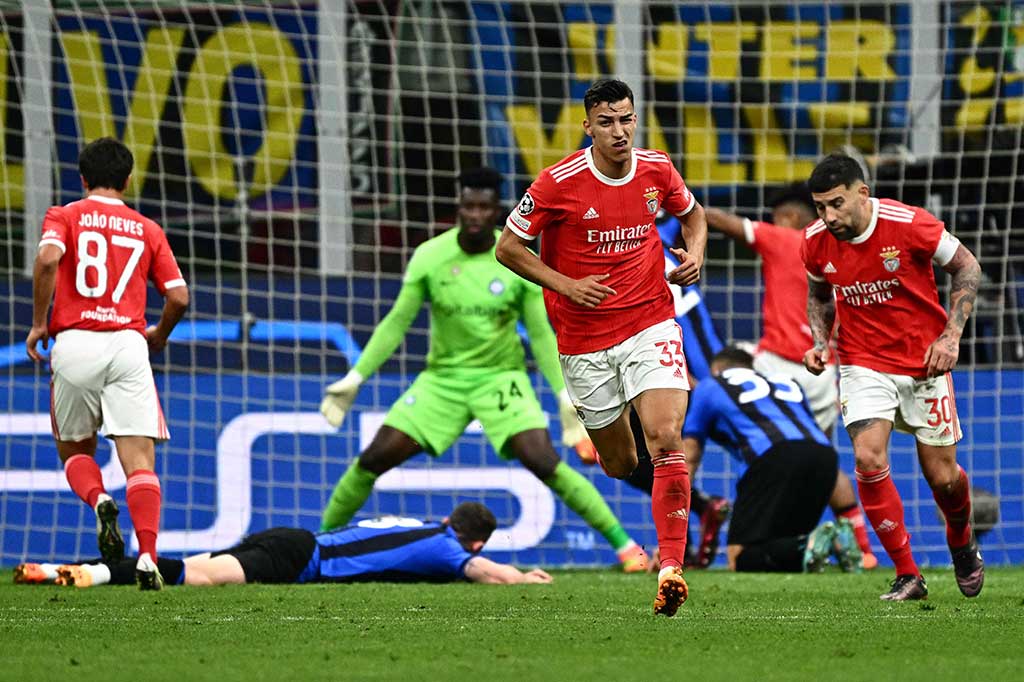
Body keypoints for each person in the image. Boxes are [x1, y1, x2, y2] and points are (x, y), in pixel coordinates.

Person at [318, 167, 648, 572]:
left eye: (484, 207)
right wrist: (356, 377)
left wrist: (565, 393)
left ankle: (626, 548)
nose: (475, 215)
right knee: (374, 458)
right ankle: (321, 546)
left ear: (497, 212)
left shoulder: (516, 260)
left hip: (501, 380)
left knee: (544, 461)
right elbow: (396, 322)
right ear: (458, 208)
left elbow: (542, 334)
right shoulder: (430, 255)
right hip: (443, 381)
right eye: (468, 206)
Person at [496, 79, 708, 616]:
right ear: (587, 126)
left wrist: (696, 253)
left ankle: (671, 568)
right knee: (619, 462)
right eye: (607, 122)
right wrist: (564, 284)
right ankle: (650, 473)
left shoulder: (656, 168)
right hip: (583, 339)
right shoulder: (556, 183)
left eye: (627, 120)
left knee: (666, 438)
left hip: (649, 321)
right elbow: (508, 247)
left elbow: (694, 213)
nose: (619, 131)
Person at [802, 152, 984, 601]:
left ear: (863, 194)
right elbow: (819, 294)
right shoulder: (814, 241)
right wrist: (821, 341)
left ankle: (961, 540)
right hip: (862, 363)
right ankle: (907, 573)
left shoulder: (909, 224)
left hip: (925, 362)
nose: (828, 216)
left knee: (943, 478)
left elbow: (967, 266)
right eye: (820, 207)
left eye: (837, 204)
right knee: (867, 458)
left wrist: (951, 337)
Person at [24, 137, 189, 591]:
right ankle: (149, 558)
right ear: (128, 180)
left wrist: (39, 323)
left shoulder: (64, 215)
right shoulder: (146, 228)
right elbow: (179, 296)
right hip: (127, 345)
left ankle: (99, 501)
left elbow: (46, 259)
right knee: (140, 464)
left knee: (77, 452)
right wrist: (158, 333)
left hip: (75, 342)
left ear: (82, 178)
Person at [705, 185, 877, 567]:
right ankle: (864, 551)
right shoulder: (837, 250)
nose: (772, 221)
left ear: (791, 217)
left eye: (777, 215)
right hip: (824, 369)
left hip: (778, 366)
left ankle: (762, 538)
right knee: (822, 459)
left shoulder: (783, 238)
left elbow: (727, 223)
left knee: (763, 442)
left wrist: (684, 206)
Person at [13, 502, 552, 587]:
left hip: (294, 537)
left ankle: (65, 566)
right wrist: (521, 577)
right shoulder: (447, 550)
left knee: (191, 565)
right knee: (196, 578)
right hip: (299, 558)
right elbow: (481, 571)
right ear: (474, 540)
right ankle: (95, 574)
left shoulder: (422, 525)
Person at [680, 347, 863, 573]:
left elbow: (689, 457)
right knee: (777, 545)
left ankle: (811, 544)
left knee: (740, 556)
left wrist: (673, 533)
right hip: (823, 458)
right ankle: (839, 542)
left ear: (717, 369)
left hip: (772, 458)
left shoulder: (710, 385)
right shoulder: (787, 382)